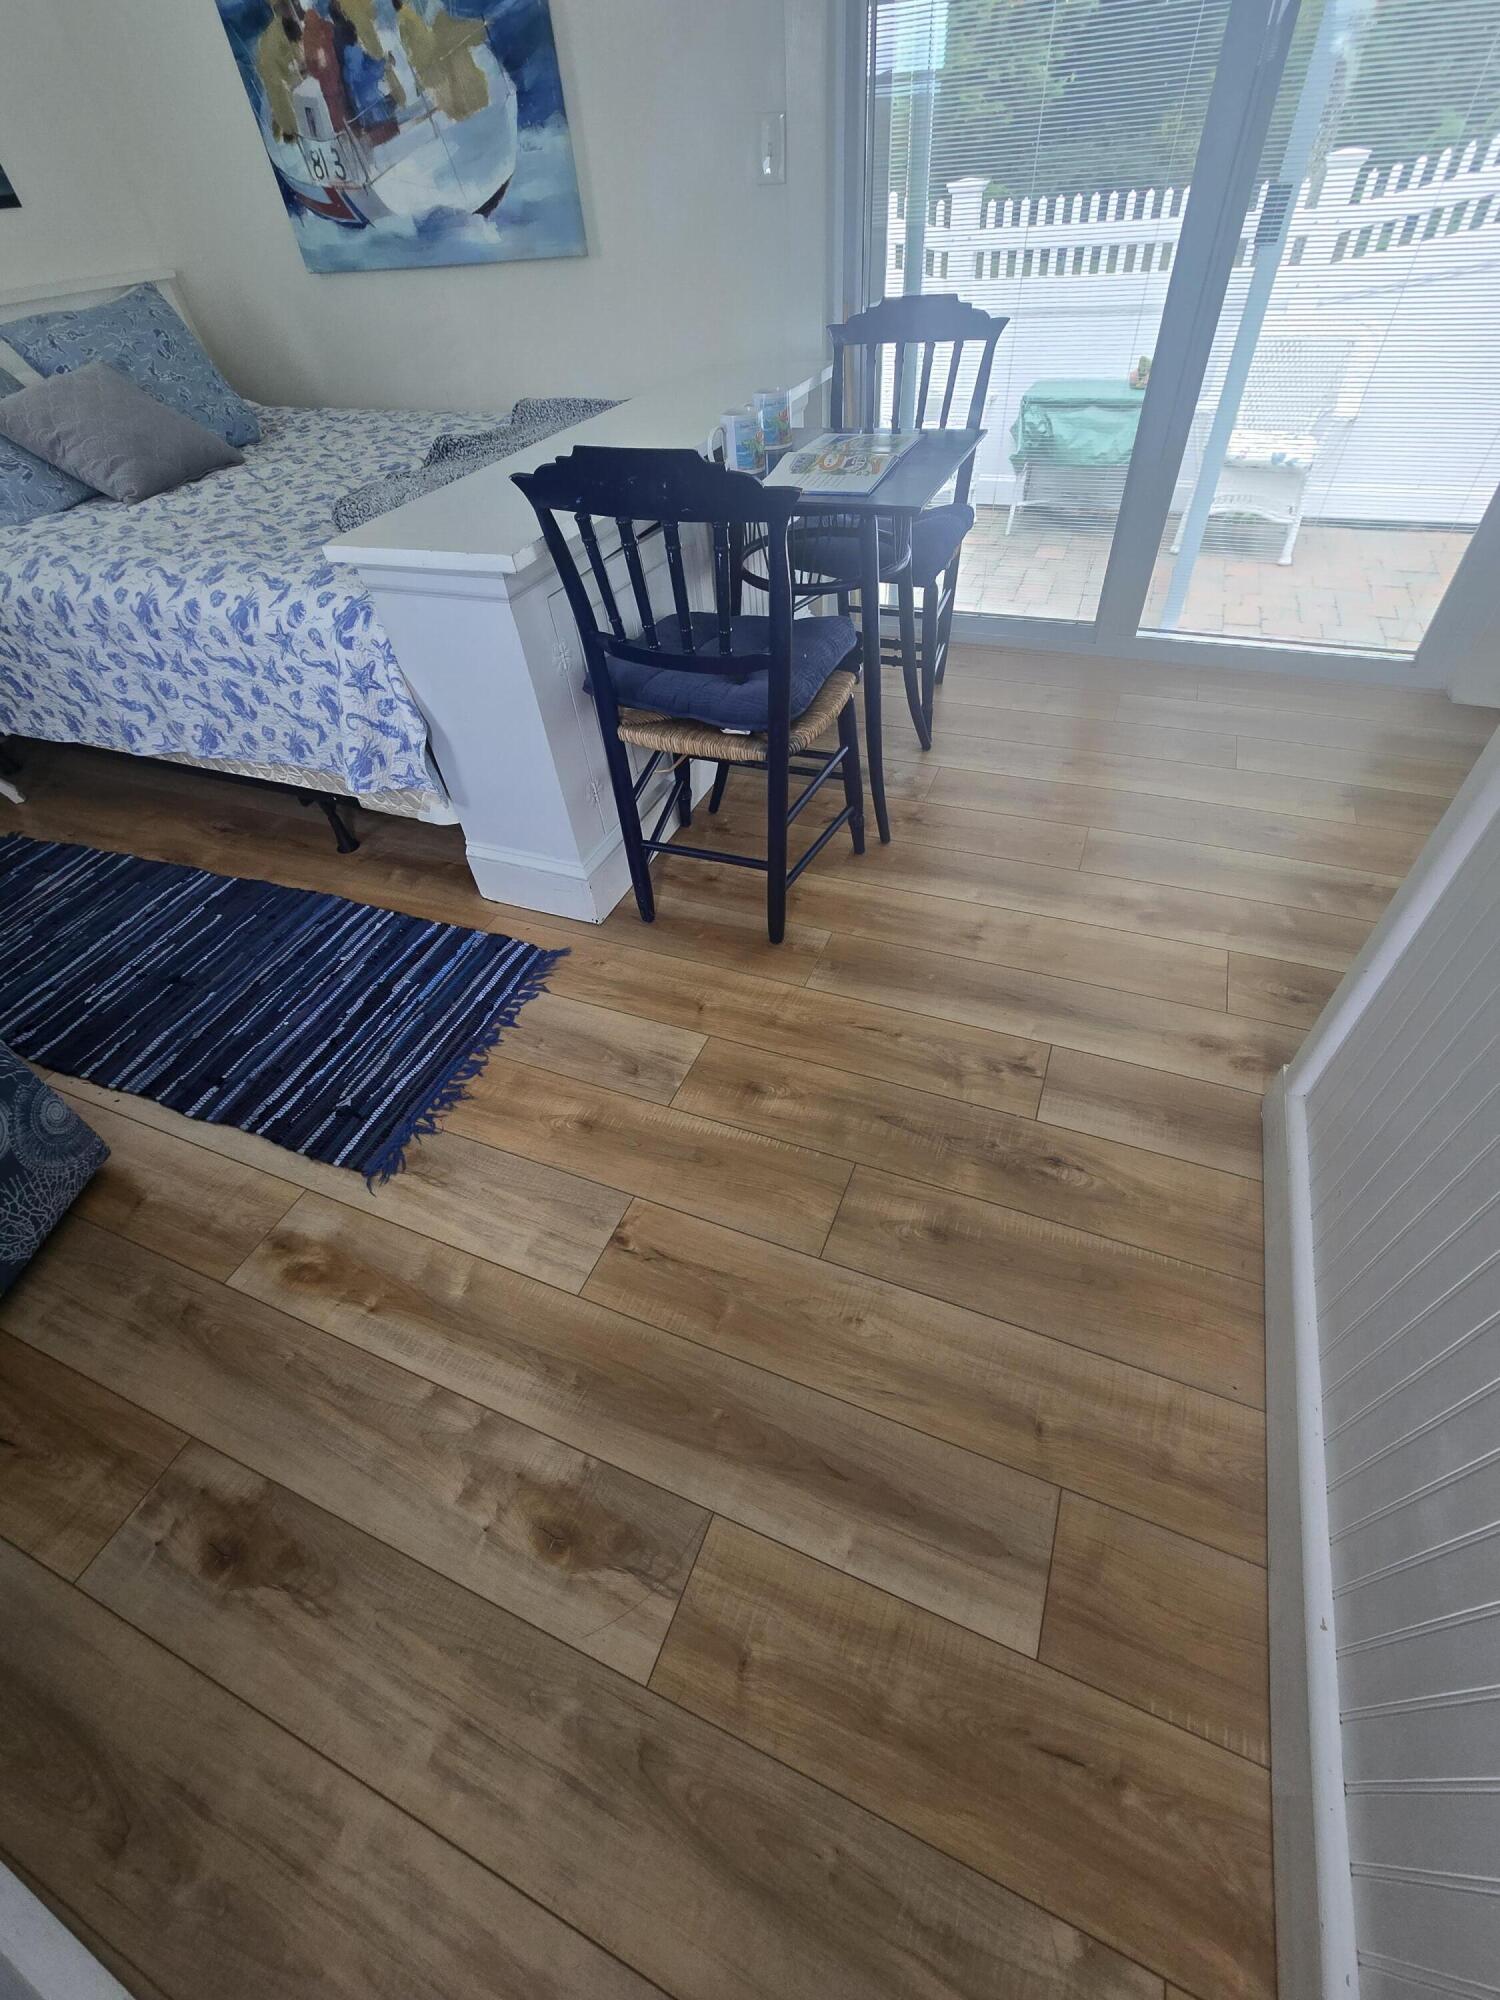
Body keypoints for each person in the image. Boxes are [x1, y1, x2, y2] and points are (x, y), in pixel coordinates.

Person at [392, 0, 490, 124]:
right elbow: (420, 45)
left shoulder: (409, 17)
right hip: (436, 63)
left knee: (459, 102)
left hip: (439, 61)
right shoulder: (409, 17)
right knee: (459, 101)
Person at [330, 0, 400, 145]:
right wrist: (382, 66)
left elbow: (364, 62)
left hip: (368, 100)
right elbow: (360, 76)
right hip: (369, 107)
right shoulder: (350, 48)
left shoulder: (346, 43)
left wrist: (382, 63)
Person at [256, 1, 307, 145]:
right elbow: (278, 90)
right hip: (292, 119)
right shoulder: (270, 44)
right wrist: (291, 130)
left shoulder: (295, 25)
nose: (291, 9)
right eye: (286, 6)